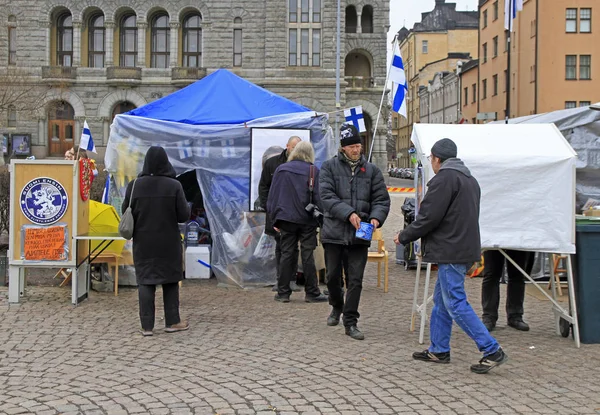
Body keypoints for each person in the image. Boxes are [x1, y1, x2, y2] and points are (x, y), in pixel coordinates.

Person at [395, 138, 508, 374]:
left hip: (451, 250)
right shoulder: (470, 180)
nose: (431, 163)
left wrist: (404, 235)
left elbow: (429, 217)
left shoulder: (443, 180)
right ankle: (439, 349)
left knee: (455, 302)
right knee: (442, 301)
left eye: (431, 159)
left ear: (436, 159)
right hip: (464, 248)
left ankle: (491, 349)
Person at [319, 124, 390, 340]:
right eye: (352, 147)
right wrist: (348, 213)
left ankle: (351, 322)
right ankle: (336, 305)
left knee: (356, 279)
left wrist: (376, 218)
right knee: (332, 277)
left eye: (359, 145)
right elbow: (326, 196)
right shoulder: (329, 167)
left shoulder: (372, 170)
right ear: (343, 148)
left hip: (360, 235)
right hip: (334, 231)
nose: (356, 150)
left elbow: (381, 199)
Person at [122, 146, 190, 336]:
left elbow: (125, 211)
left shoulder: (134, 185)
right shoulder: (174, 185)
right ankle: (172, 321)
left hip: (143, 241)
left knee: (145, 281)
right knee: (170, 280)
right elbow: (183, 215)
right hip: (168, 241)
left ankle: (147, 326)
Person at [267, 141, 328, 303]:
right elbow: (318, 197)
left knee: (287, 253)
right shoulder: (313, 170)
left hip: (286, 218)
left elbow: (273, 196)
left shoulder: (281, 169)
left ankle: (283, 292)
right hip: (307, 219)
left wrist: (274, 218)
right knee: (308, 255)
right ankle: (312, 292)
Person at [258, 136, 302, 292]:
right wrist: (267, 207)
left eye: (298, 148)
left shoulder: (302, 165)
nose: (294, 151)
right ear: (287, 146)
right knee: (280, 246)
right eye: (293, 147)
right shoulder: (272, 163)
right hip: (277, 212)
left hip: (295, 212)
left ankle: (292, 279)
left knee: (293, 247)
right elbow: (263, 187)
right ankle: (281, 279)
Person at [481, 250, 534, 332]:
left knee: (517, 275)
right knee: (491, 275)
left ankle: (515, 316)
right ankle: (489, 317)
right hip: (494, 239)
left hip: (518, 239)